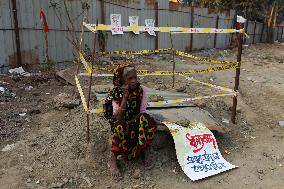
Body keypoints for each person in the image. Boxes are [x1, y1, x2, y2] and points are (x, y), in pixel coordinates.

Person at [103, 64, 157, 177]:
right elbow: (117, 117)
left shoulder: (140, 91)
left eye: (135, 77)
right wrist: (125, 97)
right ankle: (113, 159)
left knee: (145, 119)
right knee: (118, 125)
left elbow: (142, 111)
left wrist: (134, 121)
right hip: (122, 123)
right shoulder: (116, 93)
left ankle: (144, 150)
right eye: (130, 78)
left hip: (134, 121)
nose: (134, 81)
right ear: (122, 80)